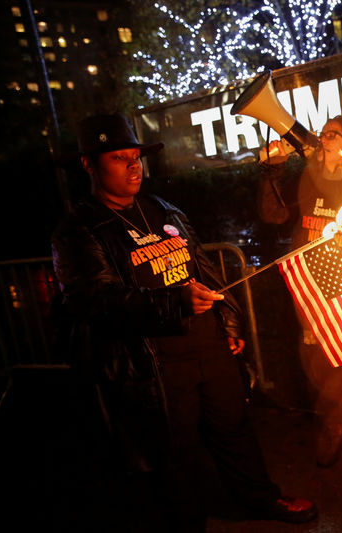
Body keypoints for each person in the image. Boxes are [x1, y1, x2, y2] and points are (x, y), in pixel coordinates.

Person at [51, 114, 317, 531]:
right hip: (155, 362)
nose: (134, 166)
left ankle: (260, 498)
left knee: (234, 428)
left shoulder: (162, 208)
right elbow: (93, 300)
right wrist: (172, 302)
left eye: (136, 156)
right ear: (89, 164)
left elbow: (204, 269)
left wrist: (228, 321)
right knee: (175, 451)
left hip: (208, 345)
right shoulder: (79, 230)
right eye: (120, 158)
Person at [258, 116, 342, 482]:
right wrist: (271, 173)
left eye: (334, 134)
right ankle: (335, 425)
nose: (324, 138)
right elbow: (274, 215)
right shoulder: (306, 178)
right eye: (324, 133)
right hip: (313, 289)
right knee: (319, 364)